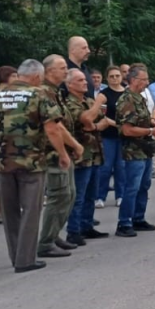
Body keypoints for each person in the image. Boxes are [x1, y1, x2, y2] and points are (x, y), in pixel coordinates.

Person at [0, 59, 70, 273]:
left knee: (10, 212)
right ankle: (25, 260)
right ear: (37, 77)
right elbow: (52, 129)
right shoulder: (39, 95)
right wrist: (63, 154)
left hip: (4, 163)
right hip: (32, 162)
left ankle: (15, 256)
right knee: (31, 210)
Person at [38, 55, 85, 258]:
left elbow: (60, 124)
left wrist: (73, 145)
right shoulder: (43, 93)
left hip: (61, 151)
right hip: (51, 153)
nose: (66, 71)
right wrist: (70, 147)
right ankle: (45, 242)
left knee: (69, 194)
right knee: (59, 196)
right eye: (62, 67)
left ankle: (54, 234)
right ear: (49, 71)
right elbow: (54, 126)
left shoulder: (55, 92)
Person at [115, 68, 155, 236]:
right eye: (144, 79)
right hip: (133, 151)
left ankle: (138, 218)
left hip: (145, 149)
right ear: (134, 80)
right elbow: (127, 130)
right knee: (132, 187)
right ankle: (124, 222)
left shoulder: (140, 98)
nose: (147, 82)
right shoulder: (127, 100)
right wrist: (151, 132)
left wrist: (154, 123)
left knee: (144, 185)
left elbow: (143, 119)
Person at [61, 69, 106, 248]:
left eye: (84, 80)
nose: (85, 83)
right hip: (81, 155)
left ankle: (87, 226)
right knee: (78, 195)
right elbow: (86, 119)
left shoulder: (87, 100)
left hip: (94, 153)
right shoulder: (69, 103)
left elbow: (101, 121)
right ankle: (73, 231)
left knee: (91, 194)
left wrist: (95, 124)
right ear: (69, 84)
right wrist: (99, 103)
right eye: (80, 80)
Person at [0, 66, 19, 225]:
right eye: (14, 76)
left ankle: (4, 211)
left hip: (5, 140)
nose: (17, 78)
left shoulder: (9, 95)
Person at [94, 67, 125, 208]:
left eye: (117, 76)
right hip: (108, 136)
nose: (114, 78)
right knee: (105, 168)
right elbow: (98, 114)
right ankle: (100, 196)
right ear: (107, 78)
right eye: (111, 76)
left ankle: (120, 195)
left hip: (123, 135)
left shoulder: (126, 93)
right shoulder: (103, 94)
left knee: (121, 167)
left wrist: (114, 123)